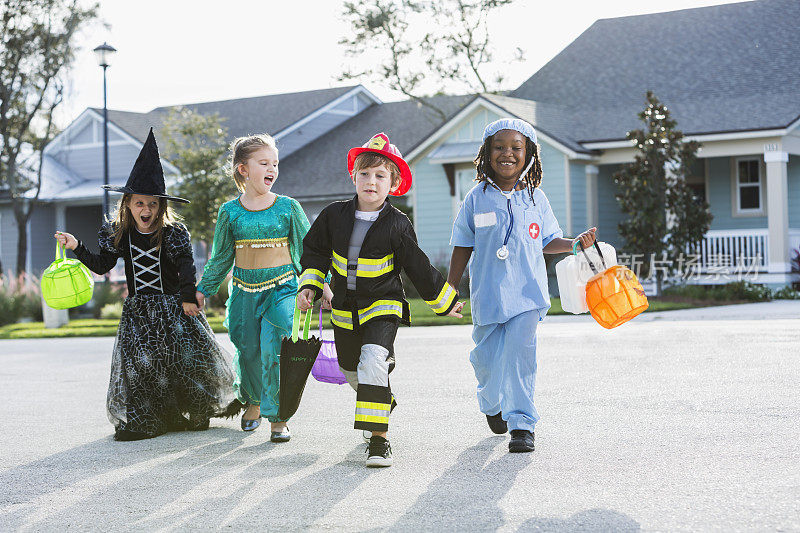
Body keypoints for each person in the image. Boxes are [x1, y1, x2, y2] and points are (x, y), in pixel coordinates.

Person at [55, 128, 235, 442]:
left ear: (161, 205)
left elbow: (186, 267)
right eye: (139, 204)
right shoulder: (118, 233)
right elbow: (103, 266)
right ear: (128, 204)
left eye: (152, 204)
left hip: (173, 307)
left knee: (184, 360)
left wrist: (189, 296)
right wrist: (76, 247)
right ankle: (145, 420)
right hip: (139, 312)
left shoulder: (173, 232)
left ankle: (194, 412)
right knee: (141, 366)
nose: (146, 211)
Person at [296, 132, 464, 467]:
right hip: (344, 307)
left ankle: (378, 441)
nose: (371, 181)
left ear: (393, 182)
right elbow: (314, 252)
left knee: (372, 360)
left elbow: (417, 265)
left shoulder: (397, 224)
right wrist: (311, 286)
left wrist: (445, 301)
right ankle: (380, 396)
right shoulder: (333, 215)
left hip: (383, 305)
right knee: (351, 370)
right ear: (353, 177)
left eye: (380, 175)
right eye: (365, 174)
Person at [447, 118, 597, 453]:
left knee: (520, 356)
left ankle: (522, 425)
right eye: (499, 147)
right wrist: (450, 288)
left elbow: (548, 241)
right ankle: (492, 404)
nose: (508, 153)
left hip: (527, 295)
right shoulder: (476, 198)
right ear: (487, 153)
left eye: (516, 147)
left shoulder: (536, 199)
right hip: (488, 296)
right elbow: (462, 243)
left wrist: (576, 244)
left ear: (528, 153)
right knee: (485, 361)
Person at [195, 134, 331, 443]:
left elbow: (310, 252)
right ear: (243, 169)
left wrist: (322, 286)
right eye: (264, 163)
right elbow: (221, 256)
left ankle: (278, 417)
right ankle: (253, 401)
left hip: (283, 289)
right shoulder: (229, 212)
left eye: (275, 163)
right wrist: (203, 289)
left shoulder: (288, 207)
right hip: (243, 292)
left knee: (275, 350)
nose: (272, 168)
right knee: (249, 352)